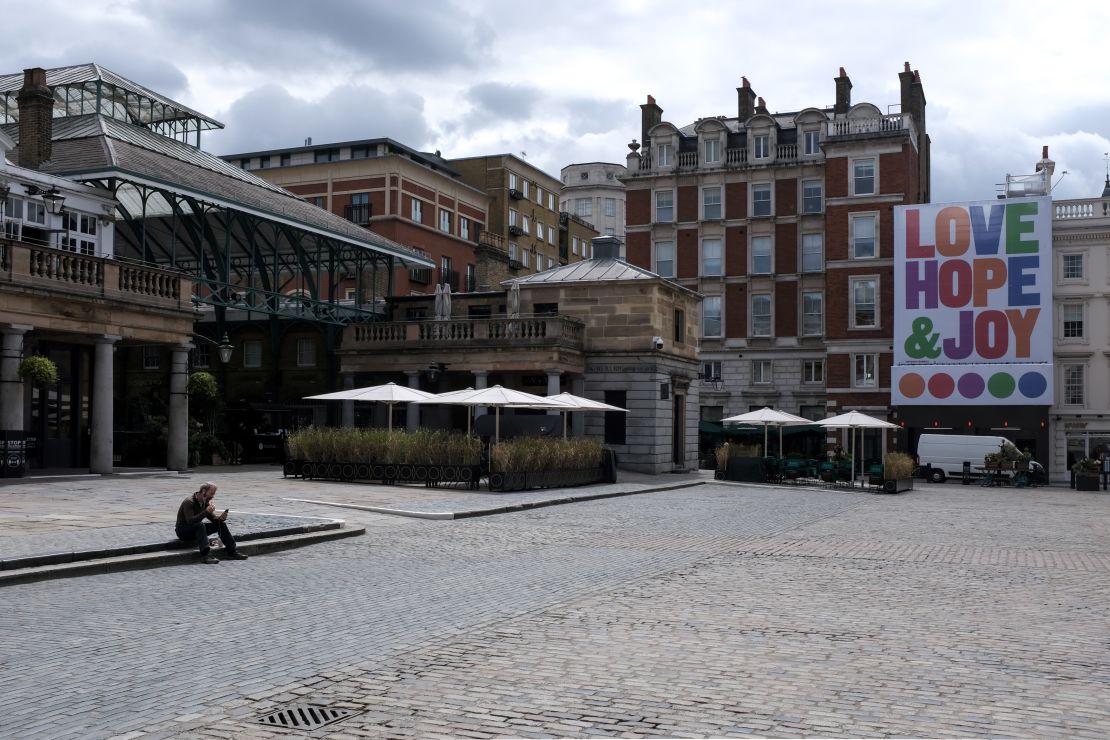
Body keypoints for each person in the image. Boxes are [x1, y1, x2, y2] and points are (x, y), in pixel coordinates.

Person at [176, 482, 248, 564]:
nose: (212, 496)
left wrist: (220, 519)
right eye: (211, 493)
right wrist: (206, 512)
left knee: (220, 524)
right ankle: (206, 555)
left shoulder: (205, 502)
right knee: (200, 525)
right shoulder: (189, 502)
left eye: (213, 494)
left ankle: (232, 551)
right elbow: (190, 521)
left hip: (196, 530)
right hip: (183, 531)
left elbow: (213, 519)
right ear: (203, 491)